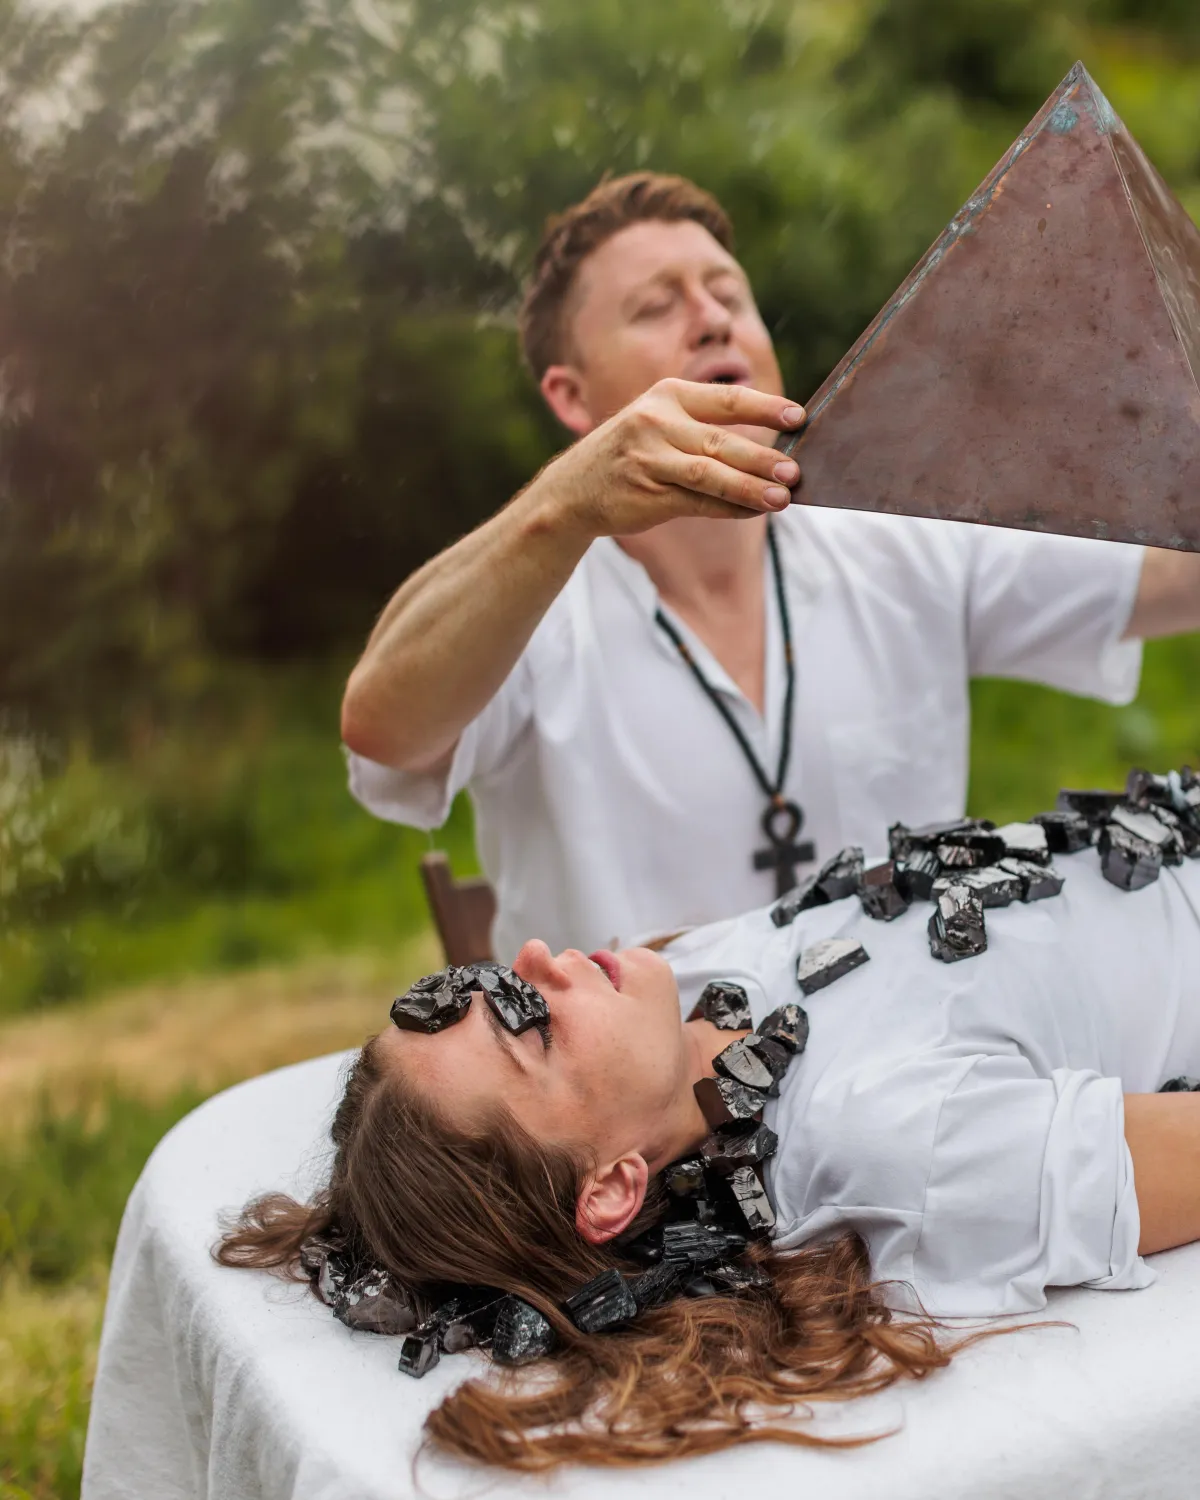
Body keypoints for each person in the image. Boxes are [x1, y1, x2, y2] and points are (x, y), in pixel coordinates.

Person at [340, 172, 1200, 962]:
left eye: (728, 293)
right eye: (653, 307)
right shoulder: (528, 598)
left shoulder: (896, 540)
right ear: (571, 396)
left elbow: (1174, 572)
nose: (711, 317)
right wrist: (562, 505)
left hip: (910, 1074)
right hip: (642, 1115)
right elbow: (383, 726)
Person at [219, 827, 1200, 1472]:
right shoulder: (896, 1142)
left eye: (485, 980)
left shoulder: (683, 983)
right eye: (533, 1028)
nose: (532, 959)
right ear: (608, 1189)